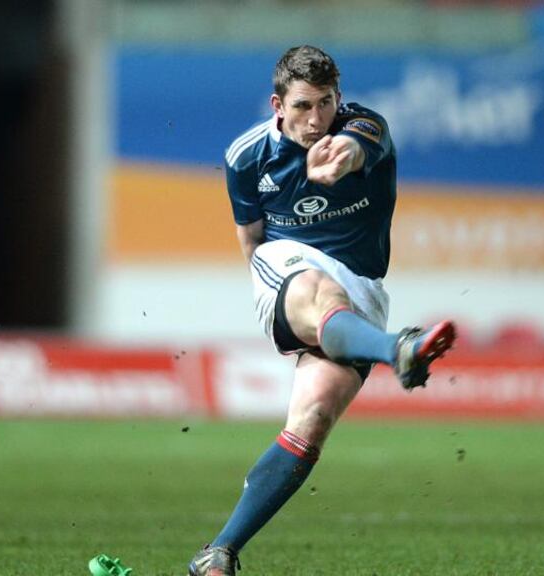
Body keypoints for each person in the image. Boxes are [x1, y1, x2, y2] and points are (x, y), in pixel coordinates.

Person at [188, 45, 456, 576]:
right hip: (286, 269)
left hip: (361, 291)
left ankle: (217, 554)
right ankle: (397, 349)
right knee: (318, 289)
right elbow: (250, 238)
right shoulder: (245, 156)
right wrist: (274, 298)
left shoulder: (365, 127)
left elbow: (356, 149)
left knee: (312, 421)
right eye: (305, 106)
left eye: (327, 104)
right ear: (277, 104)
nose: (317, 120)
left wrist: (340, 156)